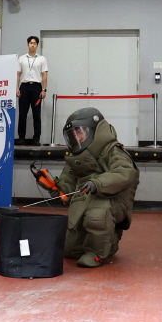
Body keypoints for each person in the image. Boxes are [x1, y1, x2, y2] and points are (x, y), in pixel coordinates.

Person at [43, 108, 139, 268]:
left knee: (97, 214)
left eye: (80, 132)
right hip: (86, 200)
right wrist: (55, 187)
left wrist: (98, 183)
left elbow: (125, 172)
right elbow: (68, 181)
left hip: (113, 199)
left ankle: (97, 254)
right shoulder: (75, 158)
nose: (77, 137)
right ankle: (105, 242)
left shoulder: (112, 150)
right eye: (73, 134)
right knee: (69, 249)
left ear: (95, 130)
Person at [16, 36, 48, 146]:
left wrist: (44, 89)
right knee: (22, 114)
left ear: (37, 45)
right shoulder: (21, 58)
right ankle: (21, 137)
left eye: (34, 43)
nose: (32, 45)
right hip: (24, 87)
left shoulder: (42, 59)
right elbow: (18, 74)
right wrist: (17, 88)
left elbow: (44, 75)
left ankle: (36, 138)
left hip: (36, 88)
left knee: (36, 114)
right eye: (31, 43)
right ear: (27, 44)